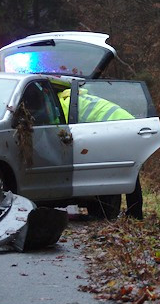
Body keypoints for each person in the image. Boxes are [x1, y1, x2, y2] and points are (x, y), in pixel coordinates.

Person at [58, 87, 143, 220]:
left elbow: (63, 129)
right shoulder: (80, 98)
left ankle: (135, 214)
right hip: (128, 126)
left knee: (125, 173)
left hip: (120, 130)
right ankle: (133, 213)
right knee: (128, 172)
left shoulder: (63, 104)